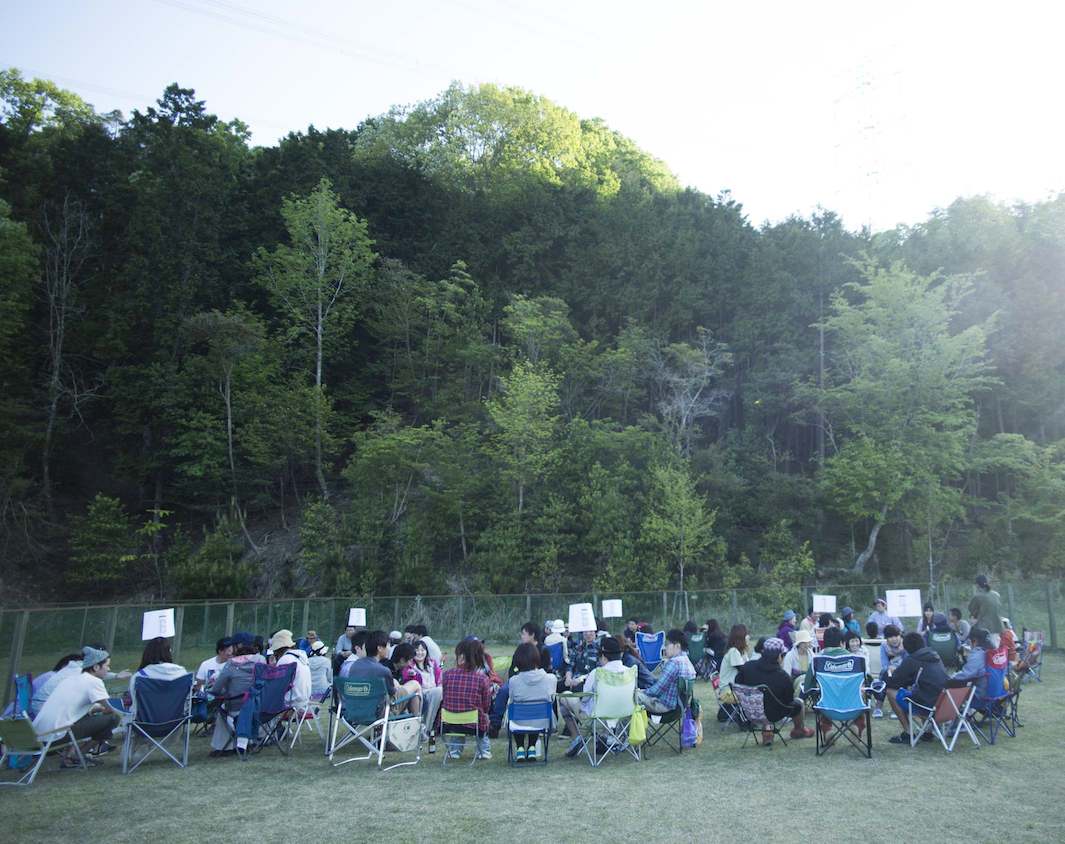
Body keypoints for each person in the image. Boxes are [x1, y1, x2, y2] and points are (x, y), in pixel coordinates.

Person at [32, 646, 125, 766]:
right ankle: (77, 756)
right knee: (113, 718)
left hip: (39, 736)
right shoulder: (94, 681)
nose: (109, 669)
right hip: (56, 736)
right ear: (96, 667)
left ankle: (72, 757)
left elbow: (74, 706)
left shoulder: (72, 679)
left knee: (90, 715)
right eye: (107, 666)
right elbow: (112, 710)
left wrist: (98, 709)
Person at [735, 637, 814, 744]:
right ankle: (798, 730)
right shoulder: (782, 677)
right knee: (798, 703)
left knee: (764, 702)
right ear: (778, 657)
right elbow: (788, 702)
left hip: (750, 712)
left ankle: (767, 732)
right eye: (783, 655)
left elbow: (738, 684)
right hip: (774, 714)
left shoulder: (747, 667)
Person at [562, 635, 629, 756]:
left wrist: (580, 708)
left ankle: (579, 738)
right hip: (622, 716)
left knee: (565, 696)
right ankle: (602, 736)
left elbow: (586, 698)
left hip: (598, 719)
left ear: (603, 656)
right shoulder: (630, 671)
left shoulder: (597, 673)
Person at [207, 632, 266, 755]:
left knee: (222, 710)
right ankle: (250, 741)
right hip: (260, 706)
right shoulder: (261, 660)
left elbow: (216, 689)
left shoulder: (231, 664)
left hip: (237, 706)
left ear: (238, 646)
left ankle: (225, 747)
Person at [885, 632, 949, 743]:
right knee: (923, 690)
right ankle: (928, 731)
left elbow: (893, 683)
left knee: (891, 692)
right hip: (945, 705)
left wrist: (890, 673)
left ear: (907, 648)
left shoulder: (912, 659)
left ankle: (908, 733)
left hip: (928, 706)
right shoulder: (935, 656)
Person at [441, 637, 493, 760]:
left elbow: (445, 696)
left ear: (461, 656)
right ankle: (484, 751)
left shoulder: (447, 675)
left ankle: (454, 751)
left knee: (458, 717)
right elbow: (486, 705)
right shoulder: (482, 679)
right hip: (473, 723)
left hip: (449, 722)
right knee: (482, 716)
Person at [349, 630, 421, 715]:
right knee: (415, 685)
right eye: (388, 645)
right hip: (380, 712)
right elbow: (393, 694)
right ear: (379, 648)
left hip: (357, 710)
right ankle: (417, 722)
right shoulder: (383, 670)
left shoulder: (354, 666)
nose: (389, 648)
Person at [507, 642, 556, 761]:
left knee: (517, 710)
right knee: (535, 713)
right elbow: (552, 699)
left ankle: (520, 749)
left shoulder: (514, 681)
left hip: (518, 722)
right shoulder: (550, 679)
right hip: (543, 721)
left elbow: (512, 700)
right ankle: (532, 747)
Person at [636, 629, 695, 714]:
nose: (664, 648)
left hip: (664, 707)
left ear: (677, 646)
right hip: (679, 708)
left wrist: (641, 691)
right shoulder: (687, 661)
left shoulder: (674, 663)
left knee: (633, 696)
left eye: (667, 644)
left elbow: (656, 691)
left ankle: (623, 726)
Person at [129, 637, 188, 714]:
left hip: (143, 723)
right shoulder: (182, 673)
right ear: (169, 652)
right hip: (175, 722)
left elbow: (135, 703)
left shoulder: (139, 677)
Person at [405, 639, 442, 752]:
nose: (420, 653)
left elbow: (439, 679)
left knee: (440, 691)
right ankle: (426, 727)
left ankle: (427, 728)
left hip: (434, 691)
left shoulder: (432, 663)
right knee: (439, 691)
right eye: (417, 650)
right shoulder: (409, 666)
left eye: (422, 650)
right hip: (420, 693)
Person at [271, 630, 312, 709]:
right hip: (304, 703)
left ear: (278, 649)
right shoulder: (301, 657)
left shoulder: (285, 659)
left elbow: (277, 686)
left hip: (291, 704)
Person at [948, 627, 991, 700]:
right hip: (993, 692)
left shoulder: (978, 655)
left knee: (950, 685)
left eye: (969, 641)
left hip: (979, 694)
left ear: (974, 641)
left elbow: (966, 674)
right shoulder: (990, 652)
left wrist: (951, 677)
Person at [873, 624, 906, 718]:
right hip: (889, 671)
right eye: (890, 637)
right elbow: (884, 664)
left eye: (896, 636)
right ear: (886, 638)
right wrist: (890, 669)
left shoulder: (905, 644)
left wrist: (897, 669)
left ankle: (896, 708)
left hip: (903, 671)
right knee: (883, 675)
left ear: (900, 636)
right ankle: (878, 707)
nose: (894, 639)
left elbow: (907, 662)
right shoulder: (884, 646)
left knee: (898, 677)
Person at [717, 624, 751, 710]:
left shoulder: (739, 652)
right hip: (728, 692)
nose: (748, 637)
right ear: (741, 637)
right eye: (746, 635)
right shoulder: (733, 652)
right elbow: (745, 670)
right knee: (757, 694)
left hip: (731, 689)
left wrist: (745, 651)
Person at [563, 629, 601, 694]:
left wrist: (580, 679)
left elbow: (598, 671)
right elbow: (570, 665)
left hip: (590, 681)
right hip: (573, 680)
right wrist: (568, 677)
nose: (588, 634)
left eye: (591, 631)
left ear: (595, 633)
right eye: (585, 631)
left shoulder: (599, 649)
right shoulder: (577, 648)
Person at [969, 574, 1005, 638]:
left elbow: (971, 609)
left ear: (977, 585)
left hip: (984, 629)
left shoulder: (978, 596)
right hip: (999, 627)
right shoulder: (996, 594)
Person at [782, 629, 814, 694]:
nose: (807, 644)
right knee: (802, 680)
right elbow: (786, 675)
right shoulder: (790, 655)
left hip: (809, 681)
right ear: (799, 644)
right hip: (795, 682)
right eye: (804, 642)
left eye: (808, 642)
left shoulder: (811, 654)